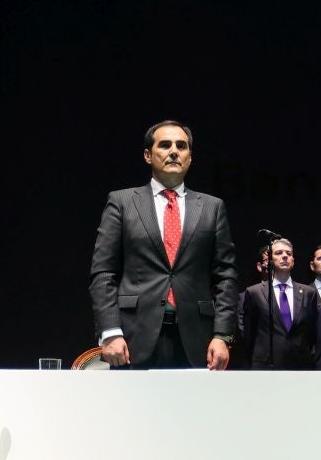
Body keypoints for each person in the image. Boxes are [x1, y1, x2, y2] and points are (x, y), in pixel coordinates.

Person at [88, 120, 240, 369]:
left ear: (190, 158)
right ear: (148, 155)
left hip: (197, 339)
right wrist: (110, 330)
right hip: (131, 337)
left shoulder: (213, 207)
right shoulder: (122, 202)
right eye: (165, 145)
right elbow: (103, 272)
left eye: (181, 146)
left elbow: (226, 277)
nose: (173, 151)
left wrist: (223, 335)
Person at [241, 236, 321, 370]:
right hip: (265, 366)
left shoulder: (309, 293)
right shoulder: (254, 292)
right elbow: (249, 334)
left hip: (300, 365)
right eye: (279, 253)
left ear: (293, 261)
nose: (285, 256)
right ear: (270, 261)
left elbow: (312, 333)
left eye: (288, 254)